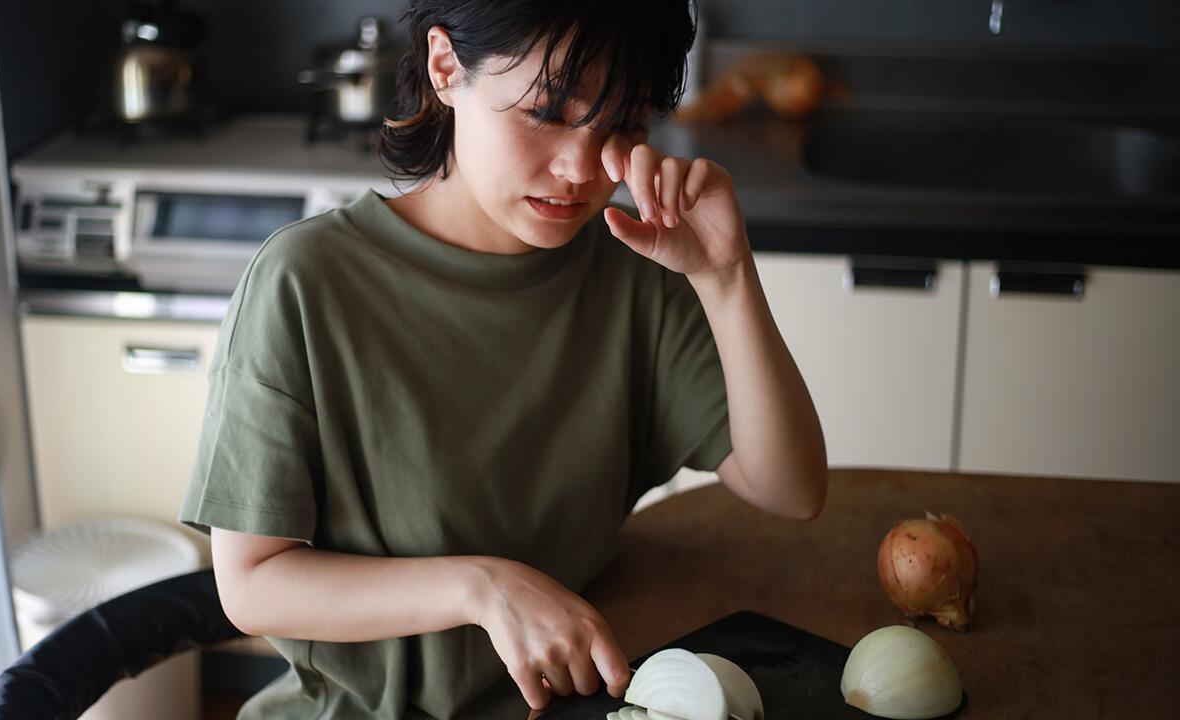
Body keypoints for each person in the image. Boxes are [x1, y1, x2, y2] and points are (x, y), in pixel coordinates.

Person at [178, 1, 828, 718]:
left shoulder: (633, 269)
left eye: (622, 124)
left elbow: (790, 488)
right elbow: (250, 586)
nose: (580, 168)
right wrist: (481, 588)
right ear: (446, 67)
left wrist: (726, 275)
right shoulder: (303, 283)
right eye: (546, 112)